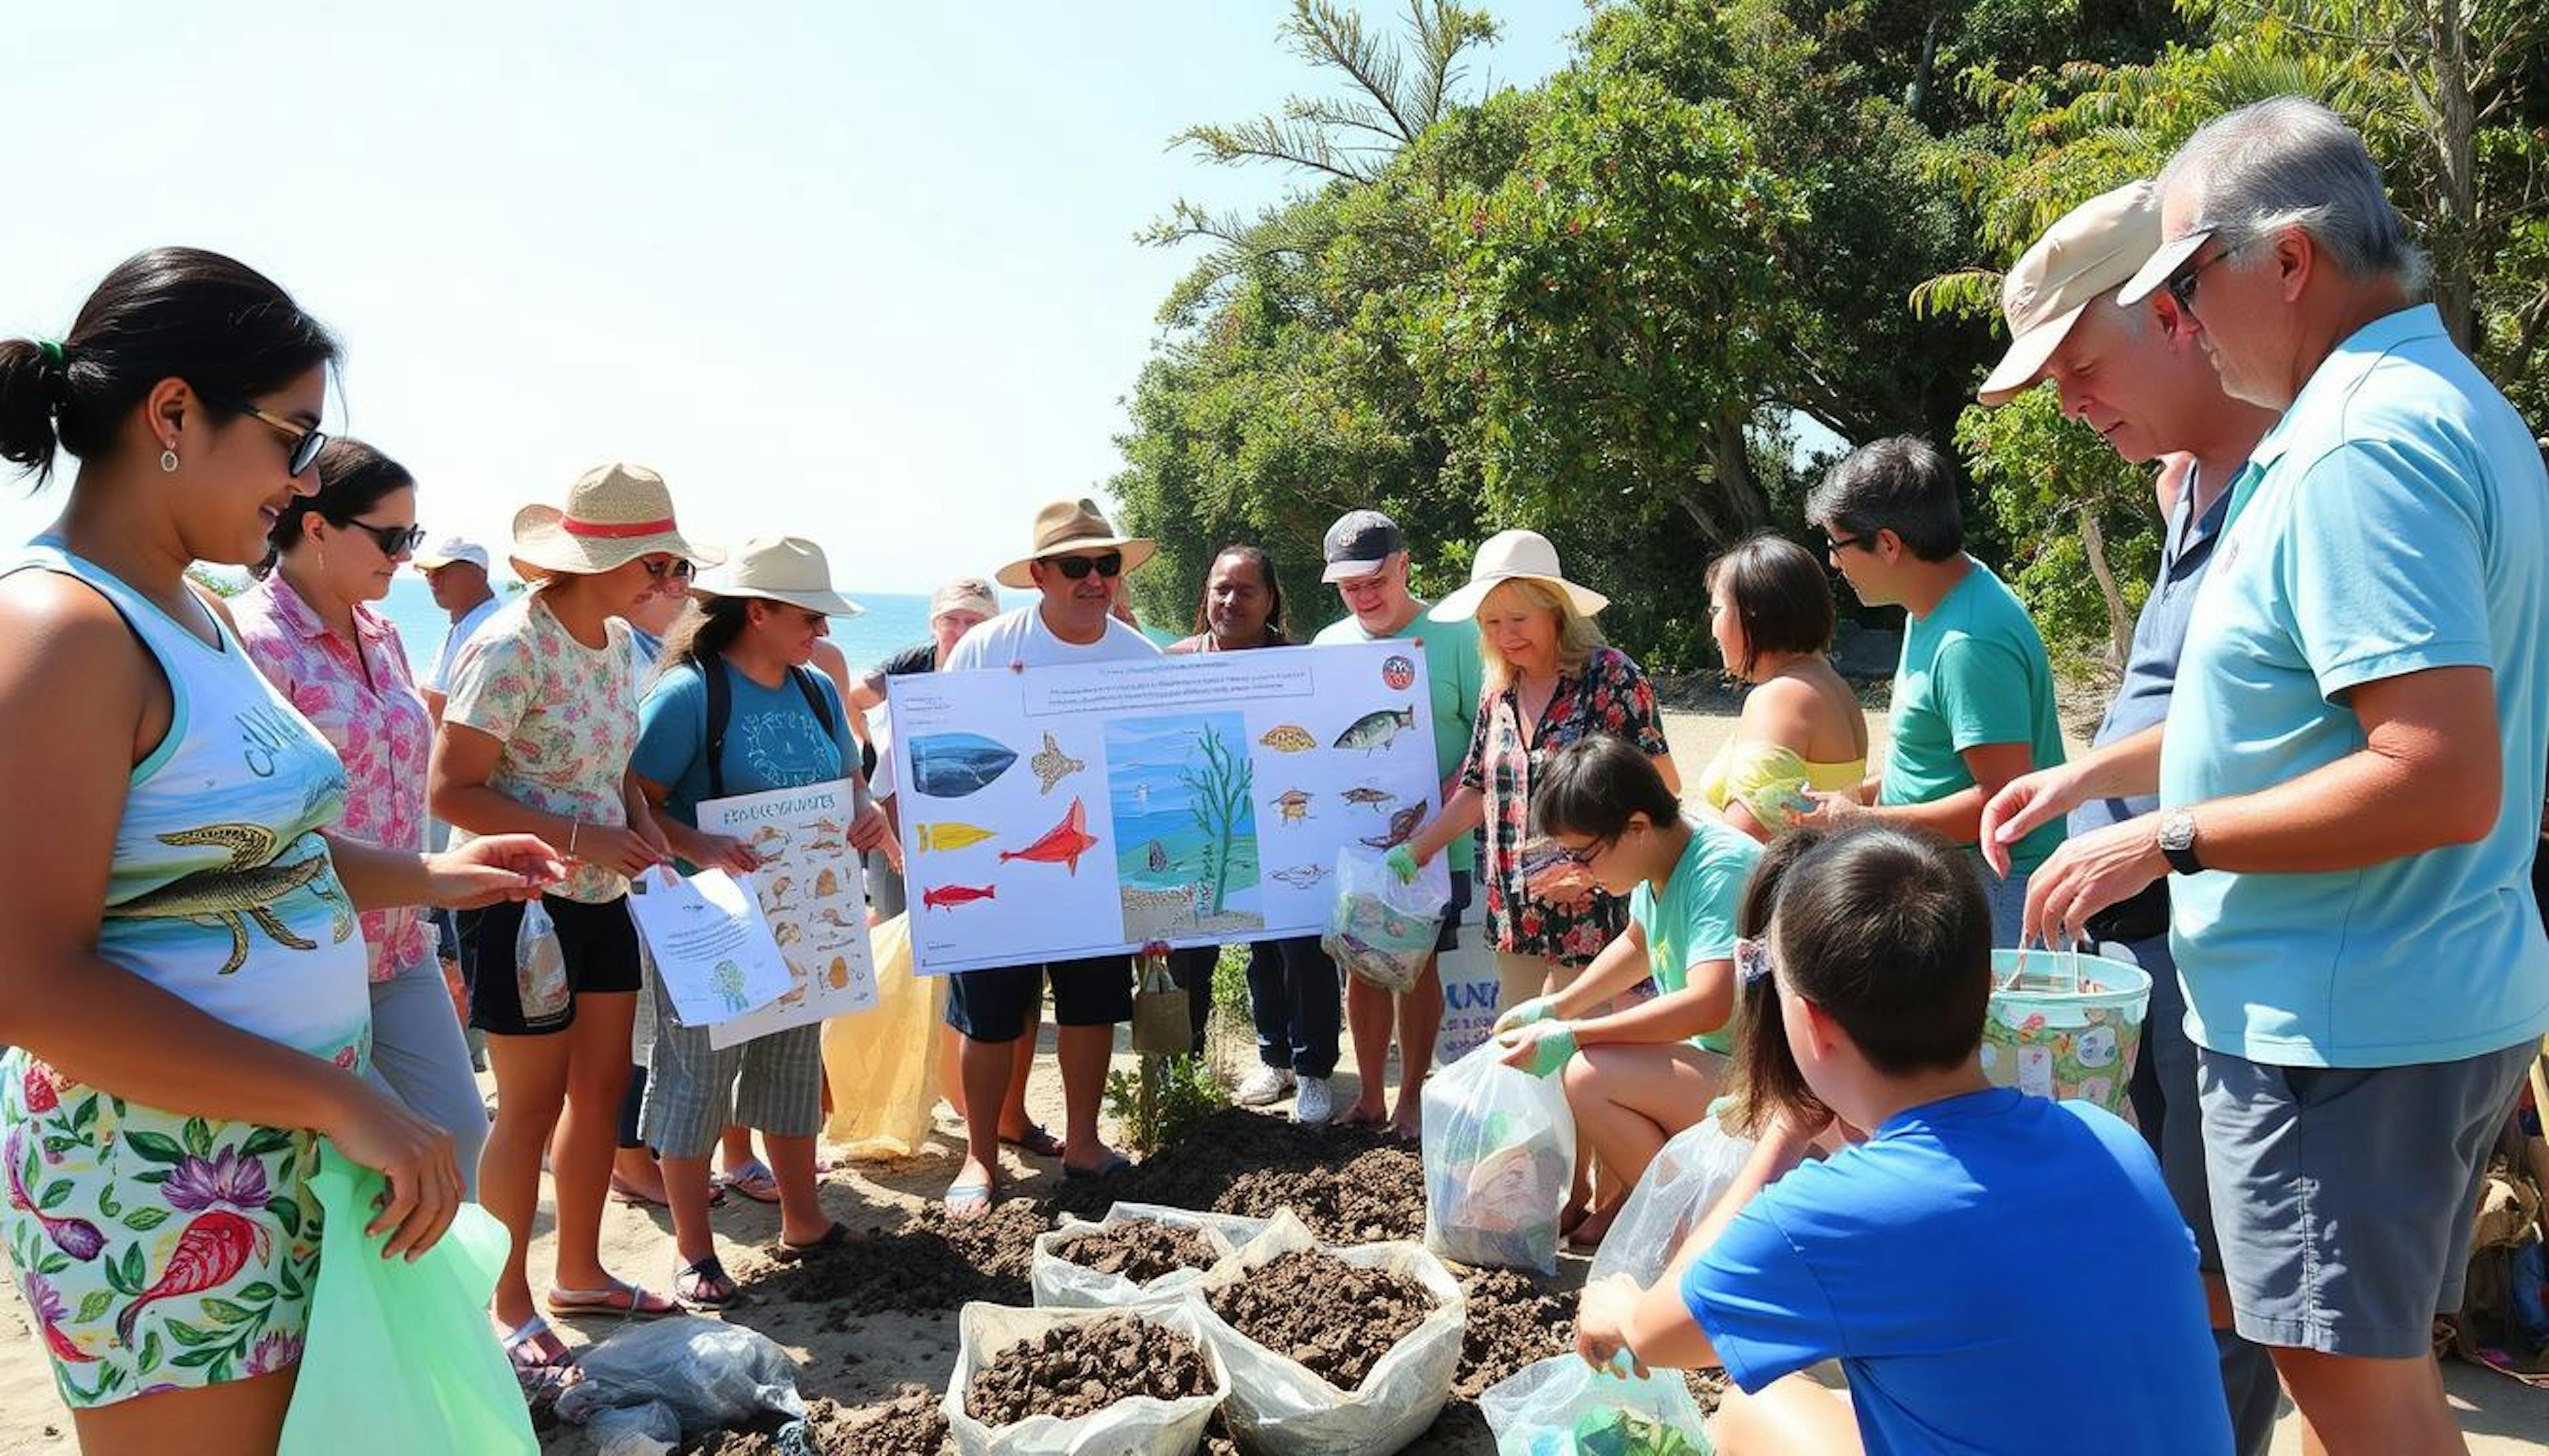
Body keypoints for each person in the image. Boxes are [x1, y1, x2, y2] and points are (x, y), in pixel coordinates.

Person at [1993, 97, 2549, 1455]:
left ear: (2287, 260)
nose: (2178, 319)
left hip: (2346, 1022)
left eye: (2184, 283)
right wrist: (2103, 786)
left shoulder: (2362, 444)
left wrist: (2170, 837)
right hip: (2390, 999)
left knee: (2350, 1391)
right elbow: (2297, 722)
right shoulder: (2416, 405)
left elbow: (2434, 777)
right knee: (2350, 1375)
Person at [0, 248, 556, 1451]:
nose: (302, 482)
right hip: (155, 1175)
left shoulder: (186, 607)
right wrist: (342, 1098)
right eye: (292, 438)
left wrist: (438, 874)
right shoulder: (62, 628)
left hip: (279, 1151)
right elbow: (30, 983)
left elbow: (252, 852)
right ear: (172, 414)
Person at [1575, 824, 2233, 1456]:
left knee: (1752, 1407)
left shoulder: (1833, 1213)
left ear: (1809, 1019)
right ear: (1987, 986)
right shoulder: (2109, 1139)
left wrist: (1620, 1303)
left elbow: (1656, 1334)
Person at [1973, 179, 2281, 1453]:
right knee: (2171, 1233)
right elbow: (2203, 704)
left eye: (2083, 362)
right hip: (2160, 927)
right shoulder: (2189, 485)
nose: (2074, 402)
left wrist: (2136, 817)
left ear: (2175, 307)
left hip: (2245, 939)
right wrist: (2090, 777)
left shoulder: (2290, 473)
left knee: (2236, 1276)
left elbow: (2287, 735)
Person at [431, 463, 716, 1374]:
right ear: (606, 560)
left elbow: (620, 767)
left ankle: (582, 1270)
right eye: (664, 568)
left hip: (599, 899)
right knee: (528, 1105)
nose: (676, 587)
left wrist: (637, 831)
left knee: (602, 1090)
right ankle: (507, 1298)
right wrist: (581, 834)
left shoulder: (621, 647)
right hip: (519, 902)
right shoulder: (513, 642)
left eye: (676, 569)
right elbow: (452, 790)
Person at [234, 439, 491, 1202]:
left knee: (460, 1130)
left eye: (412, 538)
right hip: (308, 955)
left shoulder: (383, 635)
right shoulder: (254, 642)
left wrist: (435, 929)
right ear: (315, 527)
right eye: (391, 538)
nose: (406, 558)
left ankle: (422, 1318)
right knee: (363, 1172)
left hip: (400, 944)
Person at [631, 536, 882, 1305]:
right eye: (809, 615)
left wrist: (866, 811)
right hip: (708, 921)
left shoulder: (811, 689)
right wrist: (694, 842)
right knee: (698, 1076)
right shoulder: (686, 695)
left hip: (803, 918)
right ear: (760, 611)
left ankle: (803, 1221)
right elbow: (630, 797)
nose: (822, 632)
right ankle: (695, 1252)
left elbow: (849, 776)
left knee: (792, 1064)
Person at [937, 498, 1160, 1214]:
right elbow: (943, 759)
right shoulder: (984, 647)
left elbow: (1164, 772)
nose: (1095, 579)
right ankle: (979, 1154)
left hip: (1095, 869)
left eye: (1107, 564)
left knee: (1093, 1007)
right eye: (1076, 565)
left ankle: (1085, 1142)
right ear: (1039, 574)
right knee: (989, 1016)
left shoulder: (1141, 657)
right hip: (999, 870)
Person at [1493, 736, 1759, 1248]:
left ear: (1636, 827)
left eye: (1584, 855)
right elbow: (1639, 941)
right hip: (1729, 1062)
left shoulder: (1718, 869)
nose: (1578, 872)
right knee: (1596, 1064)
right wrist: (1557, 1006)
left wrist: (1574, 1033)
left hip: (1768, 1081)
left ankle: (1689, 1239)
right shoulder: (1663, 859)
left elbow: (1709, 1003)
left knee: (1590, 1075)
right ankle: (1688, 1222)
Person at [1798, 437, 2066, 943]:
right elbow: (1930, 764)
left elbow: (2004, 803)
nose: (1834, 564)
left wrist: (1865, 821)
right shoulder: (1935, 604)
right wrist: (1858, 798)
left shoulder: (1970, 640)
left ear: (1889, 544)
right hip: (1958, 881)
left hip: (1996, 896)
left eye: (1838, 546)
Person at [1311, 510, 1483, 1139]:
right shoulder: (1326, 646)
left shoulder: (1458, 632)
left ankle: (1412, 1099)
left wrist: (1450, 798)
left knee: (1417, 965)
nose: (1364, 597)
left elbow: (1488, 729)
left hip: (1439, 845)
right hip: (1355, 848)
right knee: (1361, 963)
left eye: (1376, 581)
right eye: (1350, 587)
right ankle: (1371, 1099)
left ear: (1405, 565)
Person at [1166, 546, 1342, 1123]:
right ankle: (1185, 1078)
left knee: (1297, 951)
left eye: (1245, 590)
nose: (1230, 600)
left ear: (1271, 600)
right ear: (1205, 595)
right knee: (1194, 958)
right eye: (1221, 588)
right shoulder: (1173, 664)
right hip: (1206, 836)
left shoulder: (1302, 666)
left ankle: (1310, 1070)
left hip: (1290, 829)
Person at [1689, 533, 1867, 841]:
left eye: (1717, 611)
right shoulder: (1833, 687)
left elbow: (1743, 842)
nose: (1713, 627)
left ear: (1752, 612)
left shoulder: (1781, 697)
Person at [414, 534, 501, 725]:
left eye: (442, 571)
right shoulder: (467, 624)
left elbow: (450, 712)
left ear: (478, 573)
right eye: (429, 573)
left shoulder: (484, 630)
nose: (433, 580)